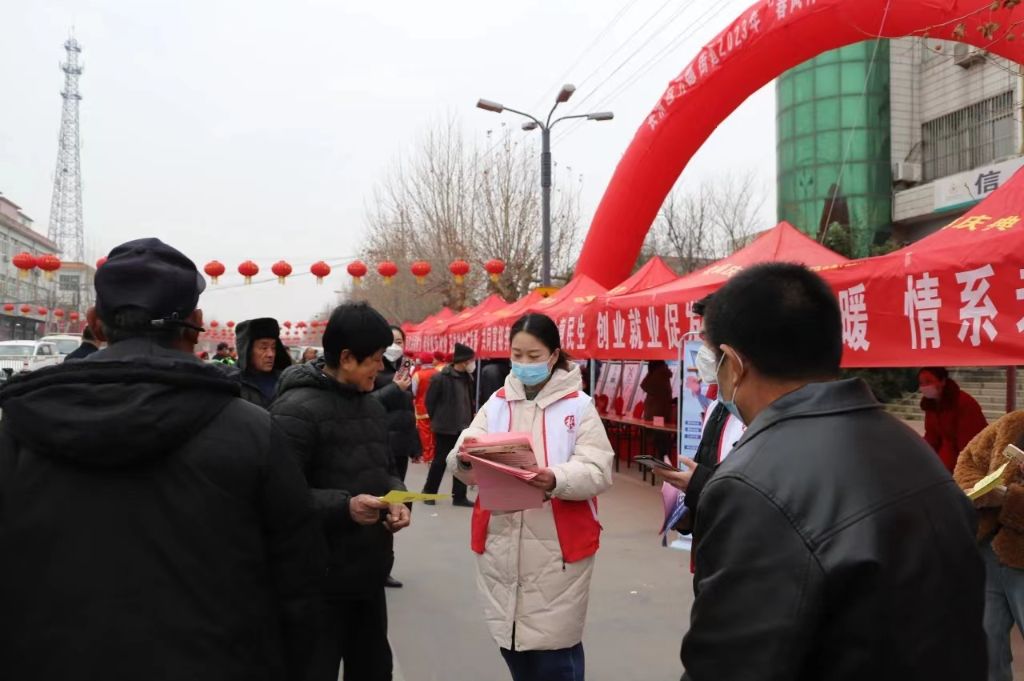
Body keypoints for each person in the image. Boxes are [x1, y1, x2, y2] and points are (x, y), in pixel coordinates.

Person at [0, 238, 324, 681]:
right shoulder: (252, 431)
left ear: (94, 323)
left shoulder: (18, 428)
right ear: (196, 325)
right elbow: (300, 586)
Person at [678, 262, 986, 681]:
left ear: (733, 364)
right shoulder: (911, 447)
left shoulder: (751, 484)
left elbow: (730, 665)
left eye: (712, 356)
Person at [448, 313, 615, 681]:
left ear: (553, 356)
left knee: (555, 652)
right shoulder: (496, 403)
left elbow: (598, 469)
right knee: (513, 645)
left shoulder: (578, 406)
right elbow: (462, 456)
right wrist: (464, 457)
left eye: (533, 356)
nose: (524, 363)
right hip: (501, 542)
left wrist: (555, 477)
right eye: (517, 355)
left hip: (556, 547)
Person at [271, 302, 411, 681]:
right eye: (375, 359)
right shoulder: (294, 411)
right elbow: (277, 498)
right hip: (316, 583)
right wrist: (344, 507)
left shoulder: (373, 408)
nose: (381, 367)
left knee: (373, 669)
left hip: (367, 574)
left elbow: (386, 470)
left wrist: (398, 498)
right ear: (347, 358)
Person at [954, 413, 1024, 681]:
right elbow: (968, 460)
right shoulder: (1013, 423)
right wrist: (978, 491)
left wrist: (1009, 499)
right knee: (987, 644)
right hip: (989, 551)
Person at [423, 342, 477, 507]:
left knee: (461, 462)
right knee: (440, 461)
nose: (473, 363)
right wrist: (438, 419)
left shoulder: (468, 378)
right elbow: (430, 402)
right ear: (464, 361)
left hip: (463, 427)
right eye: (471, 360)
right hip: (445, 427)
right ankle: (429, 493)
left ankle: (459, 496)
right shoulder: (441, 378)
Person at [920, 366, 988, 473]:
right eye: (921, 383)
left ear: (942, 381)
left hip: (970, 460)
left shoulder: (963, 403)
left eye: (928, 381)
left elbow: (969, 441)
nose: (924, 386)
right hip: (946, 461)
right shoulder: (931, 405)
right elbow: (931, 436)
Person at [229, 318, 292, 408]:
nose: (271, 354)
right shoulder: (231, 383)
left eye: (273, 347)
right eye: (264, 348)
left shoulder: (286, 380)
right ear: (247, 350)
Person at [412, 351, 439, 464]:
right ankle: (435, 455)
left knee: (425, 434)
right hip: (436, 408)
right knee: (435, 433)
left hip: (422, 408)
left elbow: (414, 391)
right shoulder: (438, 373)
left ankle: (428, 456)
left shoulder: (417, 375)